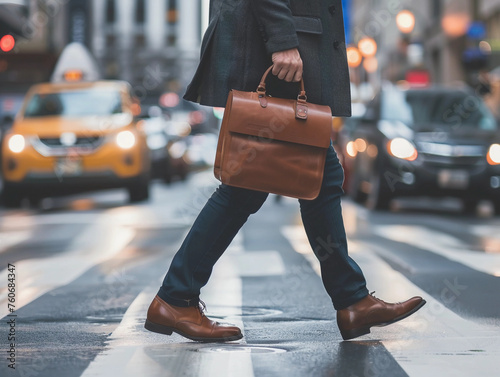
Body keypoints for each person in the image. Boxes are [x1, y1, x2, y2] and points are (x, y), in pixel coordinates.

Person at [145, 0, 426, 342]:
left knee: (293, 179)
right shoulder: (280, 41)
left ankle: (352, 299)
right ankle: (176, 297)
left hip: (279, 40)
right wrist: (282, 40)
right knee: (254, 183)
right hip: (276, 44)